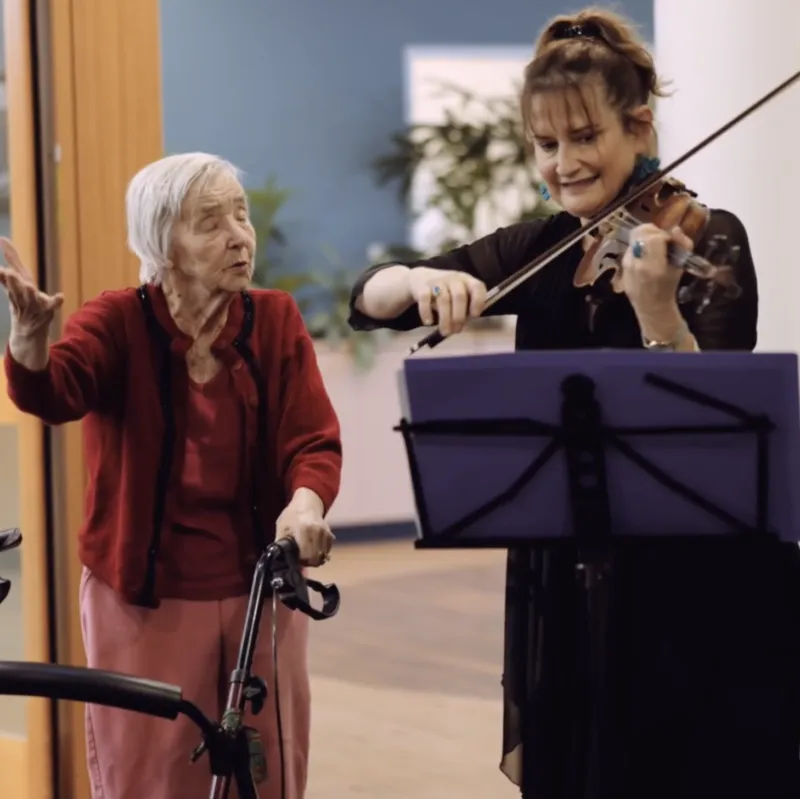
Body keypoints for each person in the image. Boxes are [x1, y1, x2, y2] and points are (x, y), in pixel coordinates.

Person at [348, 8, 800, 799]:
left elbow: (713, 419)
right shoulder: (545, 247)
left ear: (639, 127)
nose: (564, 163)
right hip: (575, 577)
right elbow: (369, 298)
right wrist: (419, 281)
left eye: (584, 136)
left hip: (694, 585)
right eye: (546, 144)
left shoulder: (709, 238)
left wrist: (659, 312)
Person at [1, 152, 342, 799]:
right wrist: (28, 341)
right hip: (144, 602)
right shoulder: (119, 321)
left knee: (266, 773)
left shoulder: (274, 321)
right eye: (210, 222)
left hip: (258, 593)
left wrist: (305, 503)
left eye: (240, 214)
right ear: (162, 244)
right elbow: (55, 391)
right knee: (151, 778)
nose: (240, 235)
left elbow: (313, 439)